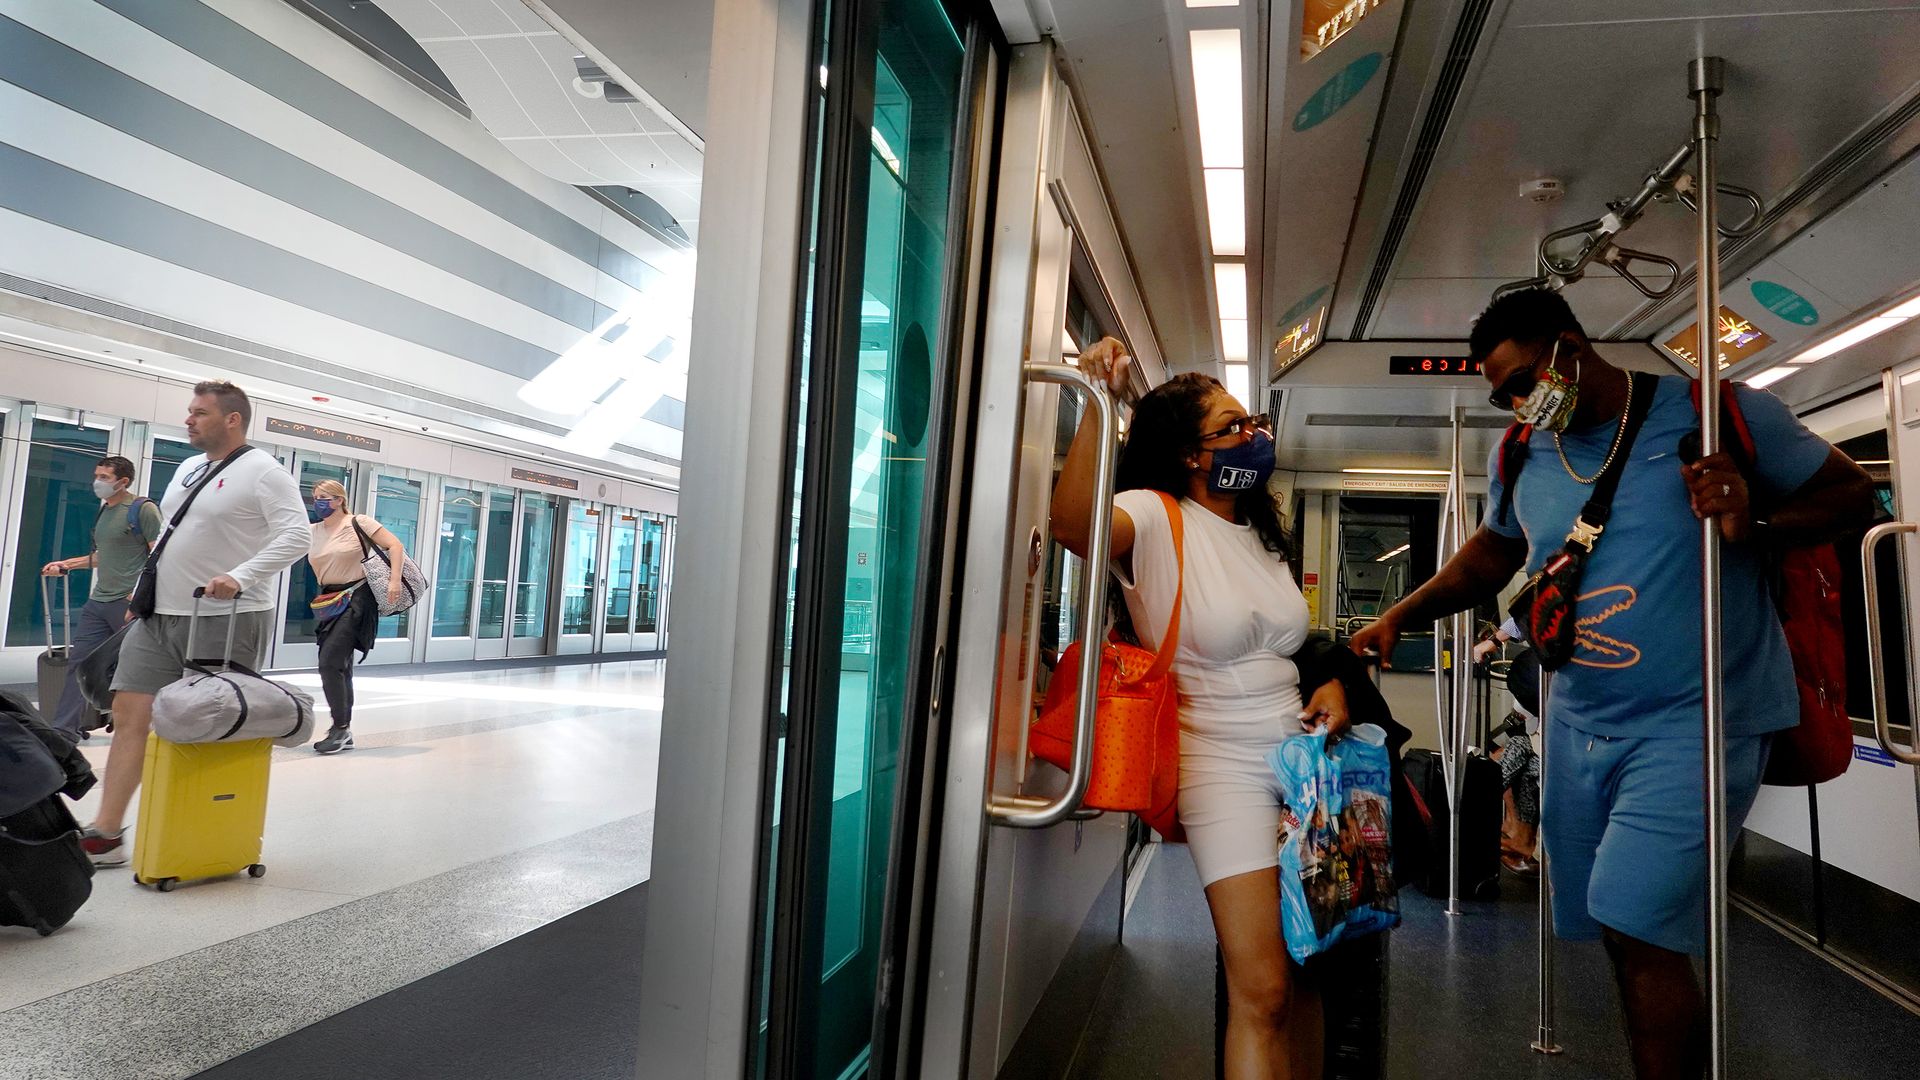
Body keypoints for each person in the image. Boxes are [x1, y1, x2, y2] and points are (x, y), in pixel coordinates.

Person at [1350, 288, 1874, 1079]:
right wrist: (1401, 615)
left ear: (1570, 344)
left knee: (1641, 927)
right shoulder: (1521, 451)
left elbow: (1850, 493)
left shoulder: (1717, 413)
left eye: (1524, 380)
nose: (1519, 402)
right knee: (1608, 922)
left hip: (1700, 720)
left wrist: (1753, 520)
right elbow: (1493, 557)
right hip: (1578, 718)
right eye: (1501, 395)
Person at [1053, 337, 1352, 1080]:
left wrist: (1330, 682)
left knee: (1310, 972)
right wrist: (1104, 407)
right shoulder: (1152, 517)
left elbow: (1286, 645)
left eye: (1251, 421)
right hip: (1218, 762)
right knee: (1264, 989)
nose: (1254, 435)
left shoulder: (1260, 531)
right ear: (1191, 454)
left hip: (1304, 760)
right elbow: (1071, 527)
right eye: (1233, 426)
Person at [79, 381, 309, 867]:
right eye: (188, 411)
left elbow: (296, 536)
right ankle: (106, 832)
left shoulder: (265, 472)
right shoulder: (187, 468)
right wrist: (148, 594)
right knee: (128, 713)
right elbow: (168, 537)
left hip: (224, 616)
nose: (188, 419)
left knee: (211, 721)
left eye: (199, 412)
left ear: (232, 419)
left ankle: (203, 834)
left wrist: (240, 576)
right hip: (160, 614)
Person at [39, 455, 163, 736]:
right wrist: (66, 564)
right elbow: (104, 556)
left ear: (123, 482)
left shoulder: (143, 510)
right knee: (79, 664)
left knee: (130, 670)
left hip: (127, 602)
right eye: (97, 476)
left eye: (104, 478)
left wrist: (141, 593)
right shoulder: (105, 511)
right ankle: (64, 729)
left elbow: (159, 554)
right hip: (99, 601)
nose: (97, 482)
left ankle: (136, 725)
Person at [304, 479, 406, 754]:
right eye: (315, 497)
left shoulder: (358, 523)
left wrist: (394, 580)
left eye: (324, 497)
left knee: (329, 663)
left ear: (339, 499)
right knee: (340, 665)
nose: (319, 502)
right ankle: (344, 729)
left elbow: (395, 546)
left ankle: (339, 728)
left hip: (357, 597)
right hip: (329, 599)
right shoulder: (312, 531)